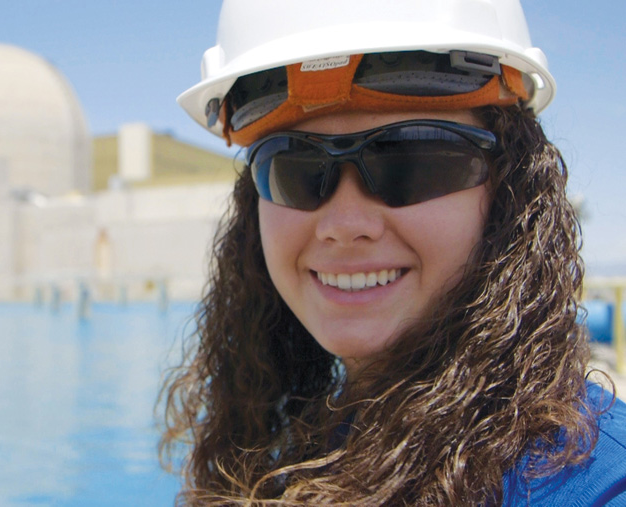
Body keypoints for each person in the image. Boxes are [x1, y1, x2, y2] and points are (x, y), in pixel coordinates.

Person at [159, 0, 626, 504]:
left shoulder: (591, 482)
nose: (344, 225)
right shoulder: (316, 440)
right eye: (294, 168)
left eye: (412, 161)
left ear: (510, 189)